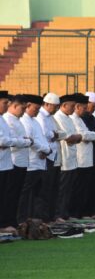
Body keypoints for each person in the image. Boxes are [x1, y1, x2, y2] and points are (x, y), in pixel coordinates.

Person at [18, 94, 51, 224]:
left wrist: (47, 149)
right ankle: (22, 220)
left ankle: (36, 218)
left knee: (39, 193)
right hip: (31, 162)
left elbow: (41, 139)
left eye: (38, 109)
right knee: (26, 194)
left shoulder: (35, 121)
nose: (37, 111)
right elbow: (30, 141)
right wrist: (45, 149)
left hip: (40, 162)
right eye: (35, 108)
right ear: (28, 106)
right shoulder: (24, 121)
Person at [3, 95, 33, 230]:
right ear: (14, 106)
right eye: (4, 103)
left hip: (15, 161)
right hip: (12, 161)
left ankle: (12, 221)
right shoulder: (7, 119)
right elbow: (5, 141)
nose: (24, 111)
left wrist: (21, 140)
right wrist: (24, 141)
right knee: (8, 195)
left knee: (15, 194)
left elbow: (11, 139)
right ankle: (6, 222)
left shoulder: (16, 120)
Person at [35, 92, 65, 222]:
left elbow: (56, 133)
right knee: (43, 189)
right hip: (44, 156)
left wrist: (54, 134)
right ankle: (42, 216)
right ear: (46, 104)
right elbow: (45, 134)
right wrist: (54, 134)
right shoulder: (40, 116)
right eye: (54, 106)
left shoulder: (50, 117)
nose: (56, 109)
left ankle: (50, 215)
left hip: (52, 154)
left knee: (51, 187)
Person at [54, 94, 82, 221]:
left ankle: (66, 213)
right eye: (72, 106)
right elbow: (69, 138)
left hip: (72, 157)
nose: (73, 108)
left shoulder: (69, 118)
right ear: (64, 105)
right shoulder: (58, 117)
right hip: (64, 157)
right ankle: (59, 214)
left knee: (70, 188)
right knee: (62, 189)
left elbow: (75, 136)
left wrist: (76, 137)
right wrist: (76, 137)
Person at [70, 93, 95, 218]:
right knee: (79, 188)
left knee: (86, 187)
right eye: (84, 107)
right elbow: (83, 135)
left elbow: (88, 135)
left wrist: (89, 134)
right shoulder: (72, 118)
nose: (86, 110)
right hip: (80, 158)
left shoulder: (80, 119)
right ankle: (76, 212)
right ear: (77, 106)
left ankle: (84, 211)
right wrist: (90, 134)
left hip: (88, 158)